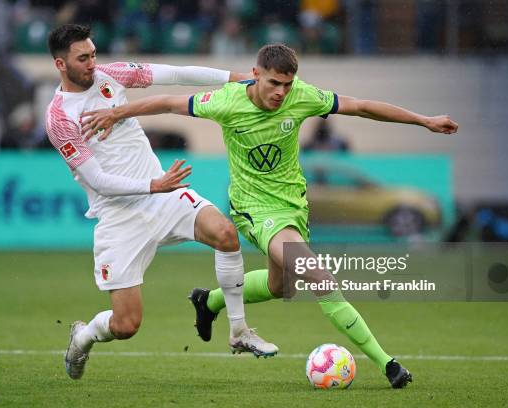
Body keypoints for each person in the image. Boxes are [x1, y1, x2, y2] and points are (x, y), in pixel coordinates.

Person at [80, 43, 459, 388]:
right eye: (275, 83)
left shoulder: (303, 97)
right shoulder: (226, 100)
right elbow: (167, 102)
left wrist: (423, 120)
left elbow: (360, 106)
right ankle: (388, 364)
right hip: (253, 209)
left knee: (282, 287)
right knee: (317, 275)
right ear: (256, 74)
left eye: (287, 85)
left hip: (293, 206)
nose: (281, 92)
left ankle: (208, 301)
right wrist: (119, 112)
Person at [45, 24, 278, 380]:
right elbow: (98, 182)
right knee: (126, 325)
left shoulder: (111, 74)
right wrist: (154, 184)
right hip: (119, 217)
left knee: (225, 234)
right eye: (83, 58)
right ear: (61, 64)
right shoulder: (59, 117)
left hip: (164, 198)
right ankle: (84, 335)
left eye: (93, 54)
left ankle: (239, 331)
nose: (92, 63)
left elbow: (176, 73)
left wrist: (238, 77)